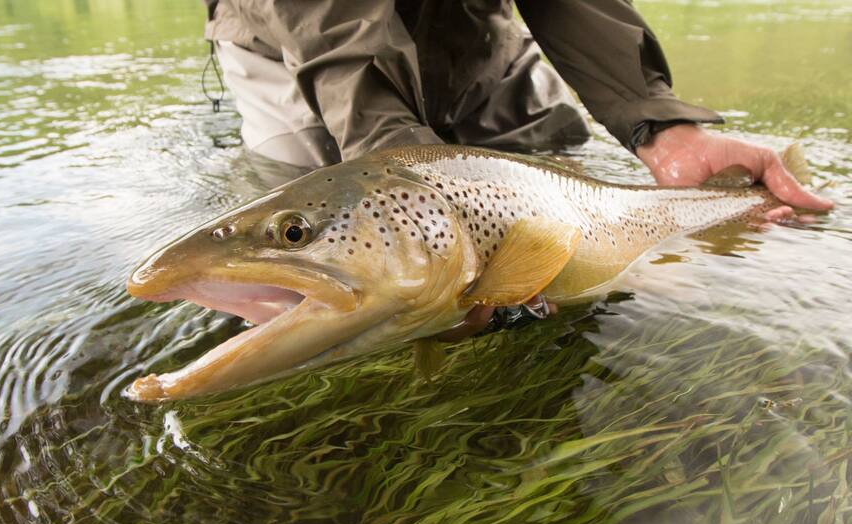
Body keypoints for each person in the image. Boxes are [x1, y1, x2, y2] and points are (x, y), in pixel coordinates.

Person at [201, 0, 833, 334]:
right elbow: (331, 30)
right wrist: (401, 165)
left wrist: (663, 128)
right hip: (295, 31)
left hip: (468, 17)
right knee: (323, 217)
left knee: (551, 156)